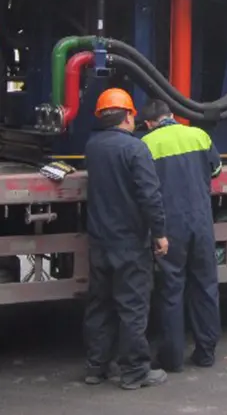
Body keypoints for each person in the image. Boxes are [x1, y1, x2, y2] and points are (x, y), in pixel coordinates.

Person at [83, 88, 169, 390]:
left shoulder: (92, 147)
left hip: (99, 240)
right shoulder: (135, 149)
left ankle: (97, 367)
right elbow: (150, 195)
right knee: (132, 306)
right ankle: (135, 372)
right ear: (130, 115)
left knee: (100, 305)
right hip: (130, 242)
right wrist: (159, 232)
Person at [141, 98, 222, 372]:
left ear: (148, 124)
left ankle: (172, 359)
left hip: (170, 226)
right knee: (205, 286)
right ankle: (206, 352)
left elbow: (144, 187)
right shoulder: (199, 135)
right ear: (171, 115)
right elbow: (217, 169)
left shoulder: (147, 144)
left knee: (171, 290)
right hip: (201, 221)